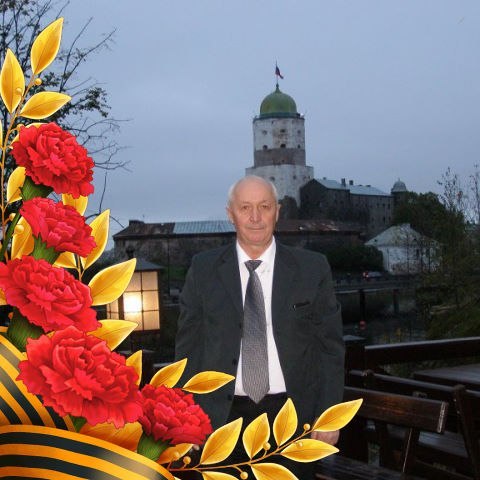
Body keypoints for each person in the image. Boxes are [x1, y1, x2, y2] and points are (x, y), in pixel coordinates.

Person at [175, 175, 345, 463]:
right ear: (230, 214)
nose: (255, 217)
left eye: (264, 207)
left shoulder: (312, 269)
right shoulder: (203, 270)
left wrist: (330, 415)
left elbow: (330, 348)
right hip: (219, 421)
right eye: (245, 208)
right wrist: (184, 417)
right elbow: (188, 350)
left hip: (294, 421)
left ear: (277, 212)